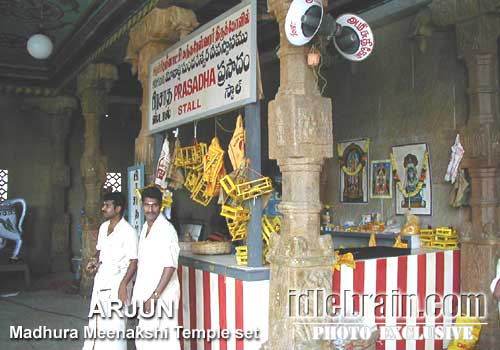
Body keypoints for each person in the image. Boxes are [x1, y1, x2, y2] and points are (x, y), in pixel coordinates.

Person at [82, 192, 138, 350]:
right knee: (97, 325)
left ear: (118, 209)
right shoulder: (103, 227)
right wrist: (94, 261)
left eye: (107, 205)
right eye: (104, 205)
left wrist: (123, 285)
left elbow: (134, 262)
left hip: (117, 284)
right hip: (101, 282)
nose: (103, 208)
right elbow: (99, 251)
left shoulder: (129, 232)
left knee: (114, 329)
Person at [132, 186, 180, 350]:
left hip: (162, 295)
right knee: (146, 340)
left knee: (164, 341)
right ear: (142, 205)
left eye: (154, 205)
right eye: (147, 205)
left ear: (161, 206)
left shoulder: (166, 230)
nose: (150, 209)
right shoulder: (145, 227)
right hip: (147, 293)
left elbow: (170, 266)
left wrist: (155, 296)